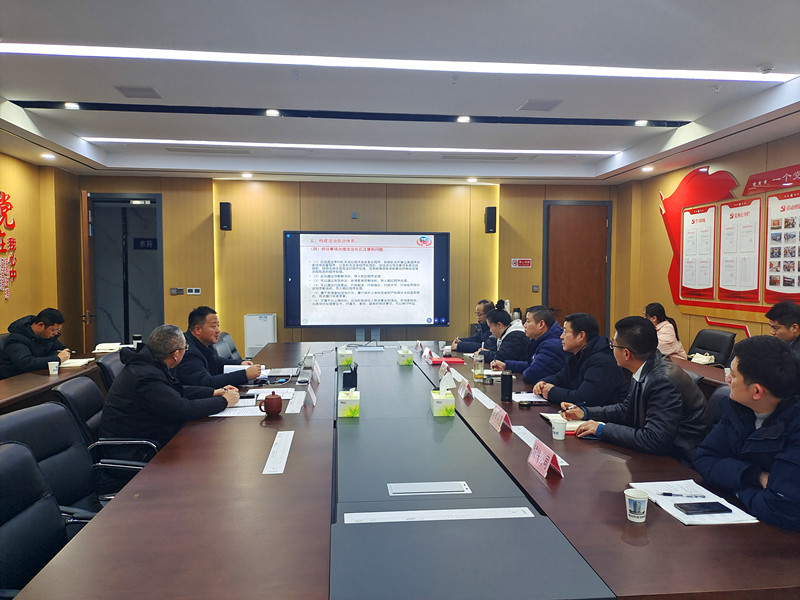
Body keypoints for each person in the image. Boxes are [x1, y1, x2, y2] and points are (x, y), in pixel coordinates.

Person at [566, 316, 710, 463]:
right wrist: (586, 412)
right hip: (662, 452)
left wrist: (602, 429)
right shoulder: (645, 365)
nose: (611, 349)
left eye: (613, 345)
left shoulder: (662, 381)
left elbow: (654, 439)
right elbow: (626, 409)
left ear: (626, 354)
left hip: (679, 460)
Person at [694, 336, 800, 530]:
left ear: (757, 391)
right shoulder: (739, 408)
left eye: (733, 376)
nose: (727, 379)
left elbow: (780, 507)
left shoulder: (795, 425)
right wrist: (755, 476)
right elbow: (704, 459)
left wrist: (734, 487)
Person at [100, 324, 239, 459]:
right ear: (176, 354)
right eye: (185, 348)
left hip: (150, 435)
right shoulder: (145, 375)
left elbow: (174, 390)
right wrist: (224, 401)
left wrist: (213, 392)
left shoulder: (150, 363)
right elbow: (183, 409)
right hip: (136, 450)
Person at [533, 312, 628, 407]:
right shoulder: (577, 353)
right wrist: (543, 383)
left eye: (565, 332)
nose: (561, 337)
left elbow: (584, 399)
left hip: (605, 415)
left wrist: (551, 392)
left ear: (581, 336)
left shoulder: (602, 361)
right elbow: (561, 377)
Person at [175, 306, 262, 388]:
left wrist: (240, 364)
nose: (218, 330)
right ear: (197, 330)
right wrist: (244, 375)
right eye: (213, 326)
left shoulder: (204, 343)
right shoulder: (188, 352)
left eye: (218, 326)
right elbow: (205, 383)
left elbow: (215, 361)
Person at [491, 306, 567, 383]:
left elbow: (531, 375)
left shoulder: (552, 346)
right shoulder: (541, 340)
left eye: (528, 321)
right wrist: (506, 365)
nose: (524, 325)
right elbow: (532, 364)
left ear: (541, 324)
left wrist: (526, 370)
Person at [0, 308, 71, 379]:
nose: (56, 333)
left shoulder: (47, 335)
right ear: (40, 325)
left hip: (37, 375)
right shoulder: (17, 339)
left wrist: (50, 359)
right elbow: (26, 363)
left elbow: (62, 350)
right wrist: (57, 359)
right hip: (14, 379)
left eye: (58, 330)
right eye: (53, 330)